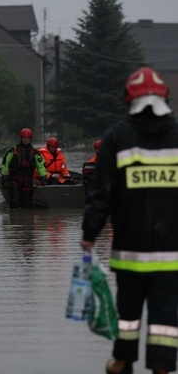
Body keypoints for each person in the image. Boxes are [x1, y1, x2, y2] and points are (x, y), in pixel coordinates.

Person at [80, 67, 178, 374]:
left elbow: (101, 193)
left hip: (129, 252)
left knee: (128, 314)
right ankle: (162, 368)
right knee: (165, 317)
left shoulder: (117, 137)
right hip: (170, 255)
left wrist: (89, 233)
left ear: (129, 99)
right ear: (165, 97)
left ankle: (122, 362)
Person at [1, 128, 47, 209]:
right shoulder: (13, 150)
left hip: (28, 181)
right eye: (24, 138)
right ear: (21, 138)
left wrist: (43, 177)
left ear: (30, 139)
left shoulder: (35, 153)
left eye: (27, 138)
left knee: (27, 205)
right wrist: (4, 177)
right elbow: (5, 164)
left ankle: (26, 220)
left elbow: (41, 166)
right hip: (15, 180)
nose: (25, 140)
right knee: (15, 202)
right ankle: (15, 220)